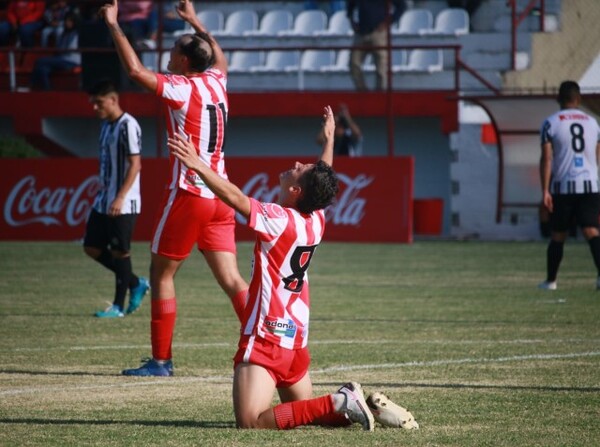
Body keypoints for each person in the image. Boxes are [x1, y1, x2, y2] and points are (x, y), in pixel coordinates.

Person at [168, 105, 375, 431]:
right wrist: (329, 140)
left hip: (268, 336)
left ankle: (341, 400)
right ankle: (366, 407)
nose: (296, 164)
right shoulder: (316, 218)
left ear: (296, 191)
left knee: (251, 422)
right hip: (296, 341)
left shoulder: (278, 220)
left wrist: (197, 165)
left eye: (300, 170)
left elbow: (235, 197)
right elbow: (323, 176)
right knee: (310, 416)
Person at [99, 0, 249, 376]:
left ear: (184, 61)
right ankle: (265, 344)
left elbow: (134, 70)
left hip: (191, 193)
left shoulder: (183, 88)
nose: (168, 55)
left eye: (173, 52)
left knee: (162, 274)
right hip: (222, 195)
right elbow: (217, 56)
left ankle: (161, 362)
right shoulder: (217, 81)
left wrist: (113, 24)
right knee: (232, 280)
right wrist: (195, 20)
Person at [84, 80, 150, 318]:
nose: (95, 107)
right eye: (93, 103)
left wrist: (120, 196)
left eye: (98, 103)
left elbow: (135, 164)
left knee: (120, 251)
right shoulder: (106, 125)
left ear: (113, 100)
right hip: (104, 199)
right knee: (91, 247)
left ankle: (118, 307)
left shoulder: (128, 125)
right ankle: (135, 283)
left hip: (123, 201)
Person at [538, 80, 600, 291]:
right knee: (591, 230)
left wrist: (545, 190)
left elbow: (547, 158)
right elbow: (598, 155)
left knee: (558, 234)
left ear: (558, 99)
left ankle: (551, 281)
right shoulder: (593, 123)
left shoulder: (551, 123)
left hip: (564, 185)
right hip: (590, 185)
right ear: (579, 98)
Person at [346, 0, 406, 91]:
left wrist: (389, 22)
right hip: (361, 33)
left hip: (379, 33)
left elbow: (401, 6)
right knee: (354, 63)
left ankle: (380, 96)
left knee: (381, 67)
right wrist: (352, 21)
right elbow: (350, 5)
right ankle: (363, 93)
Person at [31, 10, 80, 91]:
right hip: (62, 59)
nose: (67, 23)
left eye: (70, 21)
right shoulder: (64, 34)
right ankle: (47, 89)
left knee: (40, 61)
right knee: (43, 69)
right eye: (66, 20)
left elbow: (69, 49)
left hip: (71, 61)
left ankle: (31, 85)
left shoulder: (77, 34)